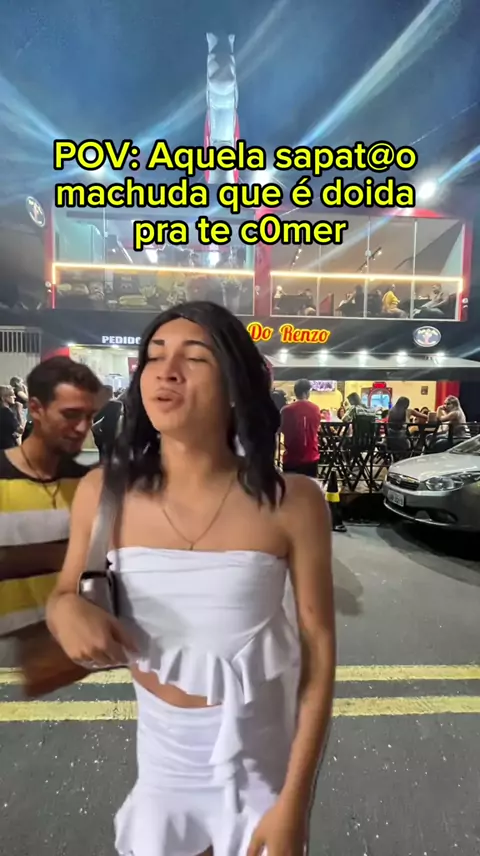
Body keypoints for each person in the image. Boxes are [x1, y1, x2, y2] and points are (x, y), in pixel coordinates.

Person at [46, 302, 335, 856]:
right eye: (155, 357)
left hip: (260, 771)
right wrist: (66, 611)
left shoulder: (294, 501)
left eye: (194, 357)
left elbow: (318, 655)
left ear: (235, 386)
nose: (167, 371)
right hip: (163, 767)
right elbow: (63, 593)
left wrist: (295, 803)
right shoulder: (103, 492)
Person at [0, 357, 101, 636]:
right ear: (36, 409)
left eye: (89, 416)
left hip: (70, 645)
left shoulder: (90, 484)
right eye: (71, 414)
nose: (82, 428)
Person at [280, 378, 321, 477]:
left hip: (291, 458)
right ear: (307, 392)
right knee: (309, 486)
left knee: (291, 486)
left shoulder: (285, 410)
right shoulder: (315, 409)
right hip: (311, 457)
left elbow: (280, 429)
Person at [92, 384, 124, 460]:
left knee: (104, 453)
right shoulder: (115, 404)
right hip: (110, 433)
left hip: (102, 433)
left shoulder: (99, 404)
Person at [0, 385, 20, 450]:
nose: (15, 396)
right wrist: (19, 411)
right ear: (3, 398)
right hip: (8, 447)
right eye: (12, 395)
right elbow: (20, 430)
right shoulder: (8, 413)